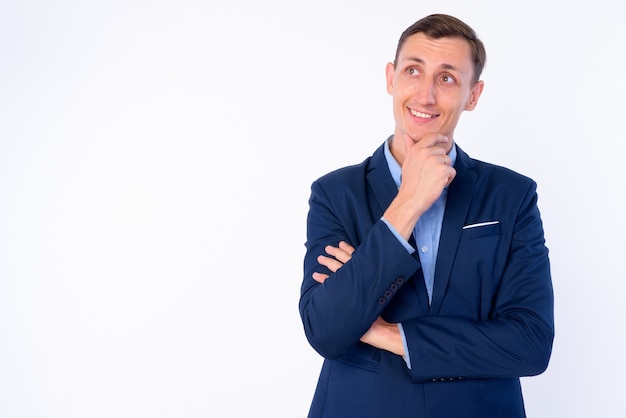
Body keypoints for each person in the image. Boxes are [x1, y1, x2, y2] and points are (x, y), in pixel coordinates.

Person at [298, 13, 554, 418]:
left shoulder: (513, 195)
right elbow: (327, 331)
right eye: (413, 71)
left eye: (447, 78)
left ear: (473, 95)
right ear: (391, 78)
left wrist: (389, 334)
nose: (425, 95)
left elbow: (530, 343)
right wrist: (409, 203)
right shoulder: (335, 193)